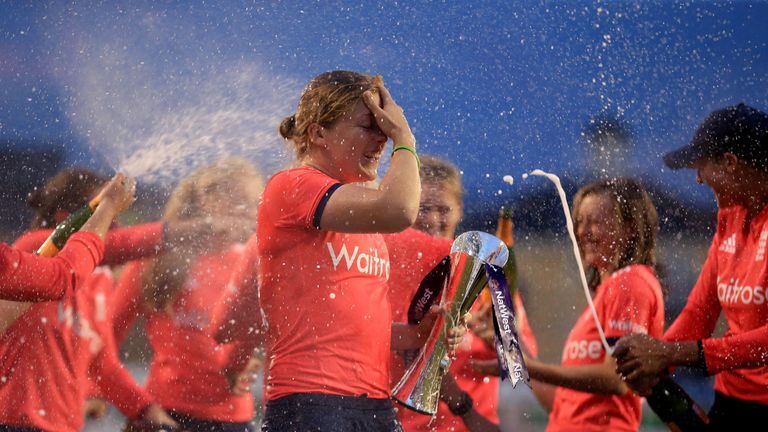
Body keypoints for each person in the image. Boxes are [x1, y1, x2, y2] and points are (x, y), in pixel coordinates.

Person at [231, 70, 465, 432]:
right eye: (369, 126)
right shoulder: (292, 185)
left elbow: (350, 326)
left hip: (373, 402)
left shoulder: (361, 218)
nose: (381, 140)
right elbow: (400, 210)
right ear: (318, 133)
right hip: (310, 401)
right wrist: (405, 137)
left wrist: (418, 335)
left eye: (385, 130)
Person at [613, 103, 768, 428]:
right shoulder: (730, 217)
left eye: (702, 167)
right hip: (732, 400)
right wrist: (653, 365)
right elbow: (700, 311)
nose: (698, 179)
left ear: (730, 162)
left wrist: (670, 354)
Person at [0, 171, 180, 432]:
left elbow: (103, 364)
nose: (114, 223)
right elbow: (113, 247)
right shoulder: (33, 247)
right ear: (65, 218)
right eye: (108, 214)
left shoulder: (99, 279)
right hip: (12, 421)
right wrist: (175, 232)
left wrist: (147, 411)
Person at [387, 155, 539, 432]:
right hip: (399, 424)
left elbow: (523, 371)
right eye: (423, 208)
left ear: (459, 211)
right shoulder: (386, 270)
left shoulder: (488, 283)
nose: (433, 219)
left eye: (443, 209)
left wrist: (503, 342)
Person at [111, 159, 263, 432]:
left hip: (237, 421)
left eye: (255, 204)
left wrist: (245, 362)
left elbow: (262, 337)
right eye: (240, 201)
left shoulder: (253, 263)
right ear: (206, 201)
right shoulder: (156, 260)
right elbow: (104, 340)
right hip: (168, 416)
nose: (250, 213)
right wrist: (137, 404)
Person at [524, 178, 665, 431]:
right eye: (580, 221)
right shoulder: (606, 292)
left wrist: (528, 367)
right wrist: (510, 345)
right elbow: (562, 404)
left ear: (629, 228)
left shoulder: (631, 282)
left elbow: (615, 379)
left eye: (595, 221)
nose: (582, 232)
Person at [0, 173, 134, 303]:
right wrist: (109, 205)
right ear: (63, 217)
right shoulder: (31, 243)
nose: (118, 228)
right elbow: (117, 243)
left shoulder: (101, 278)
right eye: (104, 220)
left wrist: (107, 206)